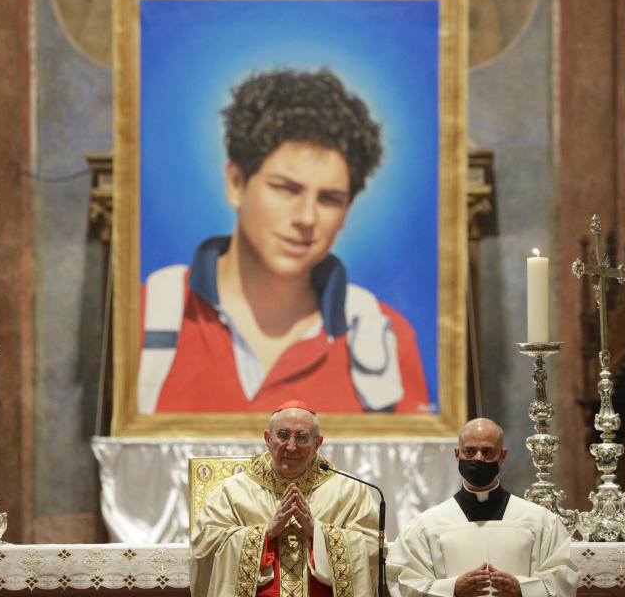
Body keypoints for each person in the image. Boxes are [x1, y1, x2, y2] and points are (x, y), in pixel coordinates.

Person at [138, 68, 430, 415]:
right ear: (236, 183)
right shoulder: (145, 317)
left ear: (347, 210)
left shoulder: (386, 339)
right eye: (286, 189)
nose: (306, 217)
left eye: (329, 199)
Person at [190, 400, 379, 597]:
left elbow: (373, 550)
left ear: (318, 443)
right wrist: (265, 533)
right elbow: (205, 546)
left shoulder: (349, 491)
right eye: (282, 435)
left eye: (302, 438)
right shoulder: (231, 491)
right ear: (267, 439)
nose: (291, 446)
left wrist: (318, 532)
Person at [386, 418, 579, 597]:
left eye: (487, 452)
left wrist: (523, 590)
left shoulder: (540, 521)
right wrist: (452, 589)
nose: (478, 459)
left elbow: (564, 577)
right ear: (457, 454)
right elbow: (403, 581)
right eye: (469, 451)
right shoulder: (426, 525)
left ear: (502, 456)